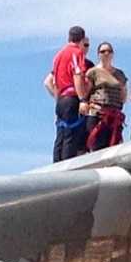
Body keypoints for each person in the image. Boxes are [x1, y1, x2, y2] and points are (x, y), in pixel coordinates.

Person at [46, 26, 90, 162]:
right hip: (72, 97)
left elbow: (48, 82)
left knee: (60, 135)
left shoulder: (58, 56)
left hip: (61, 99)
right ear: (82, 39)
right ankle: (67, 167)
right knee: (71, 136)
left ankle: (56, 167)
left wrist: (58, 99)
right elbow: (77, 75)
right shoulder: (76, 53)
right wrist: (82, 99)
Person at [84, 42, 129, 151]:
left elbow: (123, 95)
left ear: (113, 54)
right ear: (98, 54)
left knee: (114, 149)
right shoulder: (93, 72)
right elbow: (85, 93)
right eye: (103, 51)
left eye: (109, 51)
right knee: (97, 149)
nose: (106, 53)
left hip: (114, 117)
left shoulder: (120, 74)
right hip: (97, 115)